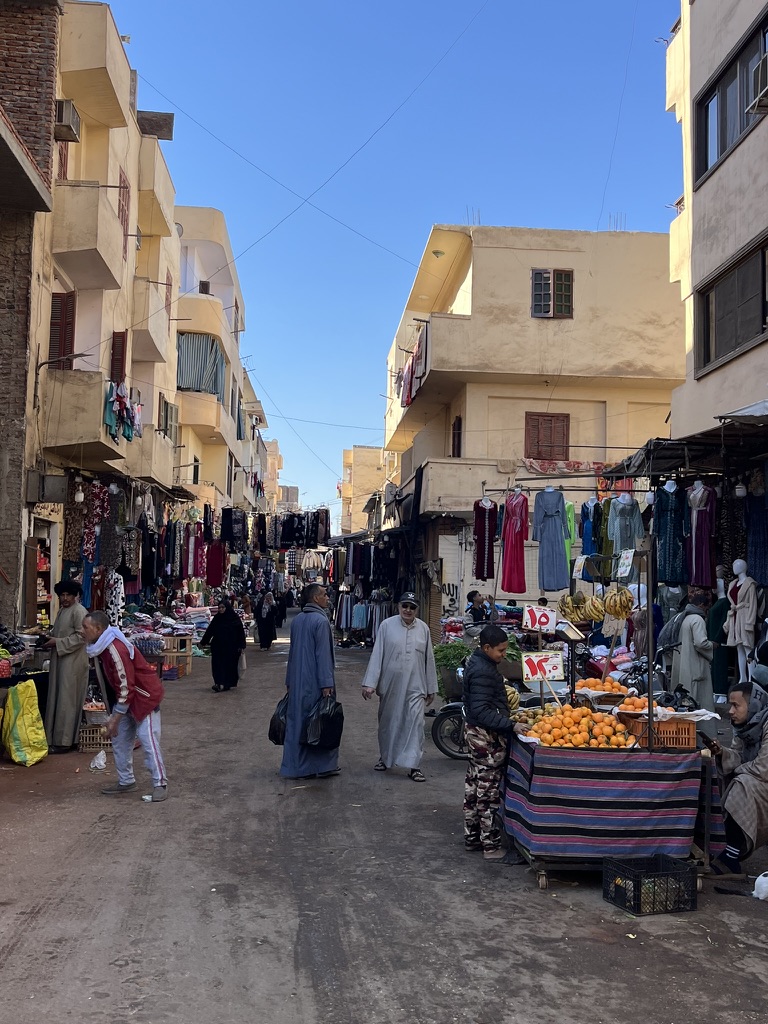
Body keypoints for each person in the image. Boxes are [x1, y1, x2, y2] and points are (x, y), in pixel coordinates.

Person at [81, 610, 168, 801]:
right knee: (120, 742)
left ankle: (160, 783)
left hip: (144, 699)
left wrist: (114, 719)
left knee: (148, 740)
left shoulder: (115, 649)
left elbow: (126, 685)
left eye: (85, 628)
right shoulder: (101, 648)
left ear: (98, 629)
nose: (82, 631)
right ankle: (126, 781)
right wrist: (114, 715)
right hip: (127, 699)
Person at [463, 624, 525, 860]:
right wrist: (511, 724)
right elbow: (480, 710)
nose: (503, 655)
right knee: (487, 793)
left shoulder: (481, 663)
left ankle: (472, 839)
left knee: (473, 787)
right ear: (486, 648)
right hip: (485, 738)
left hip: (476, 735)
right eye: (500, 650)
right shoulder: (482, 671)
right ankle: (490, 846)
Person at [361, 592, 437, 782]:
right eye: (405, 606)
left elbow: (429, 659)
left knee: (416, 724)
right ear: (398, 606)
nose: (408, 610)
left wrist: (430, 687)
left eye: (412, 607)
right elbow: (377, 654)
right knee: (389, 723)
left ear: (417, 609)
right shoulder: (387, 626)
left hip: (416, 687)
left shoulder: (424, 629)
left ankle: (414, 766)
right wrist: (370, 683)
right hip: (391, 686)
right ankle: (385, 758)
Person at [709, 674, 768, 875]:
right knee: (715, 774)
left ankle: (731, 855)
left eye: (736, 705)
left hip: (763, 780)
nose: (731, 711)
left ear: (751, 706)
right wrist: (721, 753)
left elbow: (764, 768)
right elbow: (738, 756)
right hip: (758, 780)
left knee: (742, 784)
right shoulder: (745, 728)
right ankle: (717, 844)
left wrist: (738, 770)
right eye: (730, 705)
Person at [280, 583, 340, 779]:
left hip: (298, 681)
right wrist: (326, 683)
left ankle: (294, 766)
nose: (327, 597)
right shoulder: (320, 622)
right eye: (324, 595)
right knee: (318, 722)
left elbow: (292, 653)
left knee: (298, 722)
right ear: (315, 598)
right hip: (314, 681)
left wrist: (289, 679)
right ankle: (318, 766)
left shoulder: (298, 620)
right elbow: (323, 655)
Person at [42, 579, 89, 753]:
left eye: (68, 594)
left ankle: (65, 742)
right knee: (59, 698)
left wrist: (57, 642)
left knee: (67, 701)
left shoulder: (79, 612)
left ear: (76, 595)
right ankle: (57, 739)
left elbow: (82, 637)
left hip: (73, 662)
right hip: (61, 660)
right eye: (62, 595)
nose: (65, 598)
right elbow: (60, 633)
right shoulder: (63, 611)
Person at [671, 593, 716, 734]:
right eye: (708, 607)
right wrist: (712, 645)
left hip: (684, 665)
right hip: (694, 668)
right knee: (698, 704)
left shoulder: (684, 618)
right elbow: (701, 642)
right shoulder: (697, 619)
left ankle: (686, 735)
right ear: (702, 606)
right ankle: (702, 737)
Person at [200, 601, 246, 691]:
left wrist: (241, 645)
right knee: (217, 665)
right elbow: (210, 631)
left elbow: (241, 633)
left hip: (232, 648)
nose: (221, 609)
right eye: (219, 608)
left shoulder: (234, 618)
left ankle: (226, 684)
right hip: (218, 646)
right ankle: (218, 683)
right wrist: (203, 642)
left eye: (222, 608)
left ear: (227, 608)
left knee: (229, 666)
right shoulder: (217, 618)